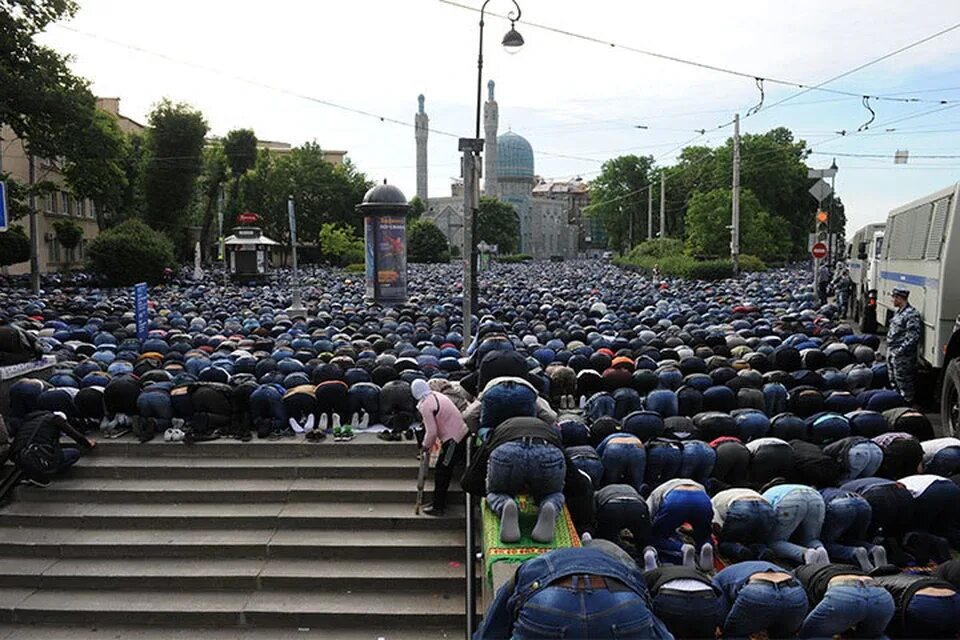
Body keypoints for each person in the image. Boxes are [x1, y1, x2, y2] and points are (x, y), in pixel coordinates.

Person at [476, 546, 674, 639]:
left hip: (548, 604)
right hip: (621, 604)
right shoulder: (620, 563)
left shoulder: (539, 562)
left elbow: (493, 627)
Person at [461, 416, 565, 544]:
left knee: (496, 492)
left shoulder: (500, 429)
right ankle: (550, 505)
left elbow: (470, 479)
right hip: (547, 450)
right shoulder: (547, 428)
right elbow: (575, 480)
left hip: (506, 451)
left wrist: (490, 491)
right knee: (552, 494)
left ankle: (504, 504)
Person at [411, 378, 467, 517]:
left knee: (442, 470)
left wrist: (425, 446)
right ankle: (438, 503)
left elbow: (432, 432)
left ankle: (438, 506)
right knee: (444, 468)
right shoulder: (438, 395)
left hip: (453, 441)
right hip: (461, 434)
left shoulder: (426, 405)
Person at [795, 562, 895, 639]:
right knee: (874, 637)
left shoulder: (795, 575)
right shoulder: (837, 566)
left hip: (844, 593)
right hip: (880, 594)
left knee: (810, 635)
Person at [713, 561, 809, 638]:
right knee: (786, 636)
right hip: (794, 590)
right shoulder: (763, 566)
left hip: (758, 590)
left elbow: (721, 613)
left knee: (734, 634)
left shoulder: (717, 580)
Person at [11, 409, 95, 488]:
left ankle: (32, 473)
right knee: (74, 453)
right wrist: (87, 444)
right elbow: (74, 435)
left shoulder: (30, 421)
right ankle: (45, 473)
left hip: (18, 456)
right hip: (36, 455)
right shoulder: (56, 419)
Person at [886, 287, 922, 407]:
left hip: (902, 356)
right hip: (892, 352)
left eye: (894, 297)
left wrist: (899, 352)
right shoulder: (898, 312)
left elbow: (912, 337)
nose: (892, 300)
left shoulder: (911, 314)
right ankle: (897, 404)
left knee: (904, 383)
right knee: (894, 381)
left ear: (900, 298)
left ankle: (907, 406)